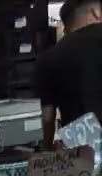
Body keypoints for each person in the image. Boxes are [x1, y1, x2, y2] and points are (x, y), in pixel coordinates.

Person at [34, 0, 102, 148]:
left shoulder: (49, 57)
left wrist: (47, 148)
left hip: (83, 142)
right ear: (95, 12)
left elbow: (47, 117)